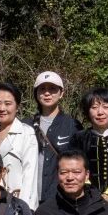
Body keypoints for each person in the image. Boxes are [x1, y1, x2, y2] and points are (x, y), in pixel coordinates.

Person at [0, 82, 39, 211]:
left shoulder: (27, 134)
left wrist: (25, 211)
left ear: (17, 107)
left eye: (8, 104)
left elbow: (30, 175)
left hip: (17, 206)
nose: (2, 108)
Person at [26, 70, 81, 205]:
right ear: (36, 93)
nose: (47, 93)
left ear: (61, 93)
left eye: (52, 89)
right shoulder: (25, 125)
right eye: (42, 89)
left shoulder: (72, 125)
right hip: (29, 197)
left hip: (60, 198)